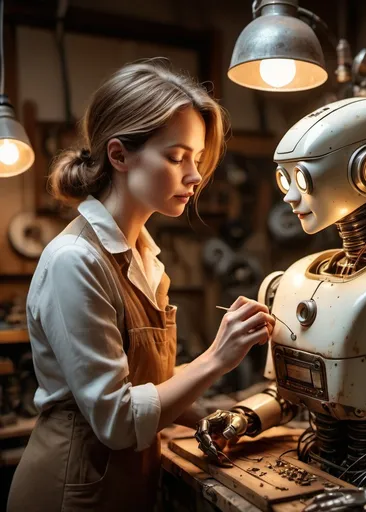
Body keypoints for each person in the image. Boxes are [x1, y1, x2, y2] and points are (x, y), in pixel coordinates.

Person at [7, 58, 275, 512]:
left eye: (196, 158)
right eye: (176, 157)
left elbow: (151, 385)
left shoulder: (144, 257)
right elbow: (115, 419)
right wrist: (217, 357)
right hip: (72, 492)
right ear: (119, 155)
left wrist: (218, 416)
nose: (194, 176)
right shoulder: (76, 261)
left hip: (128, 484)